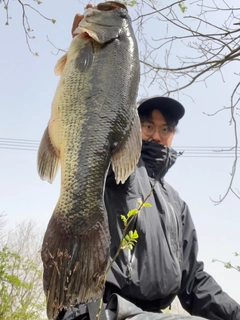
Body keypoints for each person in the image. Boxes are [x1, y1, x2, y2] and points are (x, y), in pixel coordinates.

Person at [58, 12, 240, 320]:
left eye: (165, 129)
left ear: (172, 135)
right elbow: (92, 125)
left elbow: (193, 282)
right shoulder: (116, 169)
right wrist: (91, 60)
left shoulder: (177, 206)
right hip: (105, 310)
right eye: (147, 125)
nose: (156, 135)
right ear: (132, 127)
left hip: (154, 314)